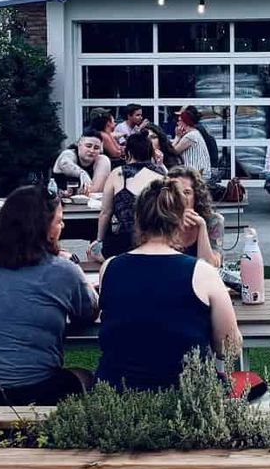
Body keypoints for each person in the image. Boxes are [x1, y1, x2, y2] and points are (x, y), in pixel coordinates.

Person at [0, 185, 97, 418]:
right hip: (28, 395)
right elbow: (89, 311)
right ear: (44, 228)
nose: (62, 226)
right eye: (59, 221)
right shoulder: (62, 270)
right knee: (87, 378)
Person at [96, 178, 242, 392]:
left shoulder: (109, 268)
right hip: (186, 398)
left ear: (138, 218)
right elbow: (229, 350)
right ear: (180, 221)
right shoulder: (203, 273)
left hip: (118, 395)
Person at [97, 130, 165, 258]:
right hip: (157, 240)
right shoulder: (162, 175)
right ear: (151, 152)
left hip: (125, 242)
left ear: (128, 153)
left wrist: (99, 240)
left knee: (94, 252)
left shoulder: (118, 173)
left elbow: (105, 212)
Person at [168, 167, 224, 267]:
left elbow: (211, 266)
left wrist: (202, 227)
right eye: (175, 192)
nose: (181, 197)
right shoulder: (160, 220)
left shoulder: (214, 221)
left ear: (196, 195)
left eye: (186, 192)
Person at [166, 105, 213, 177]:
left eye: (179, 121)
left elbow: (172, 152)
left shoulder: (191, 136)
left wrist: (177, 137)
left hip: (198, 175)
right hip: (194, 174)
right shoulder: (193, 133)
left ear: (185, 122)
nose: (177, 123)